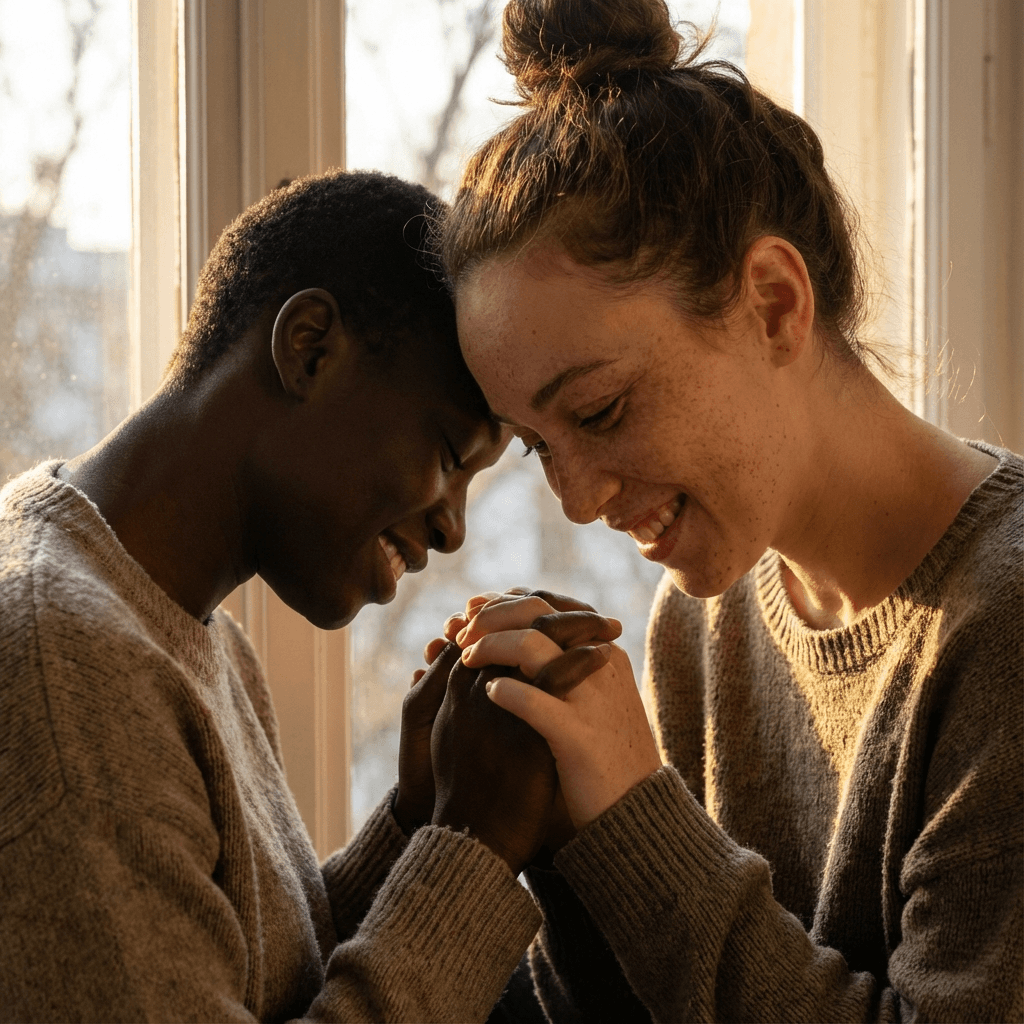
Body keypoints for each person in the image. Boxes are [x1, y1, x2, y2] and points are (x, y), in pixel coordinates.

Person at [434, 1, 1024, 1020]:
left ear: (772, 304)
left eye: (602, 409)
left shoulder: (1002, 631)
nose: (576, 501)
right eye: (538, 446)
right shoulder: (701, 622)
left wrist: (636, 815)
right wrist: (561, 839)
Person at [0, 168, 619, 1022]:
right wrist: (474, 849)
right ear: (310, 348)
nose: (453, 531)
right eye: (447, 454)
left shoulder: (172, 623)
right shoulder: (67, 670)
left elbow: (241, 973)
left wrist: (416, 821)